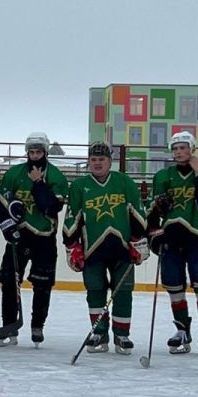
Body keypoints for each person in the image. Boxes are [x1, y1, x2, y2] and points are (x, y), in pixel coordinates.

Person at [63, 141, 148, 354]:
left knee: (123, 291)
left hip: (123, 248)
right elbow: (72, 217)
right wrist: (72, 245)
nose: (97, 163)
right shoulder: (80, 186)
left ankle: (122, 334)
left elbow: (138, 211)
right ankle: (99, 332)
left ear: (110, 161)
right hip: (92, 249)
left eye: (101, 159)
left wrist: (139, 240)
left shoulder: (125, 182)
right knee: (95, 290)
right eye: (93, 159)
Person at [0, 132, 69, 346]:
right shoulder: (14, 174)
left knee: (42, 284)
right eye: (31, 152)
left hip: (44, 236)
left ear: (45, 152)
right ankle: (10, 325)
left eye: (38, 152)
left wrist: (37, 184)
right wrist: (8, 226)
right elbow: (1, 203)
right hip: (19, 236)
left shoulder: (56, 177)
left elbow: (51, 206)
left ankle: (37, 325)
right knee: (9, 281)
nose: (34, 155)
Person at [146, 131, 198, 355]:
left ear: (192, 149)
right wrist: (154, 234)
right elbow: (152, 211)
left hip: (197, 237)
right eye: (175, 149)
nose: (178, 152)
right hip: (171, 239)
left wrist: (197, 171)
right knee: (175, 288)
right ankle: (182, 329)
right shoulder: (164, 176)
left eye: (183, 148)